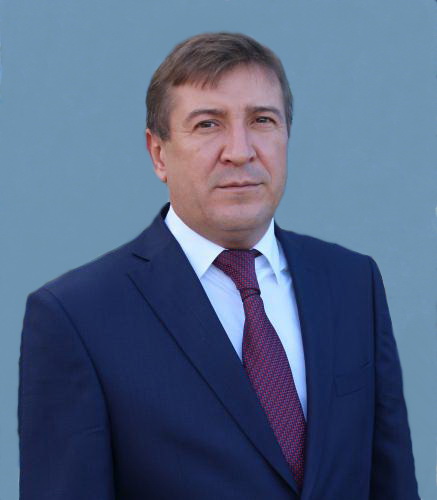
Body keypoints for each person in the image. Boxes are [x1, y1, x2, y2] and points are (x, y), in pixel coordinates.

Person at [19, 32, 419, 499]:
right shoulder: (77, 317)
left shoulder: (352, 283)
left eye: (262, 120)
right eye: (208, 124)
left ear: (287, 136)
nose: (240, 151)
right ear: (158, 153)